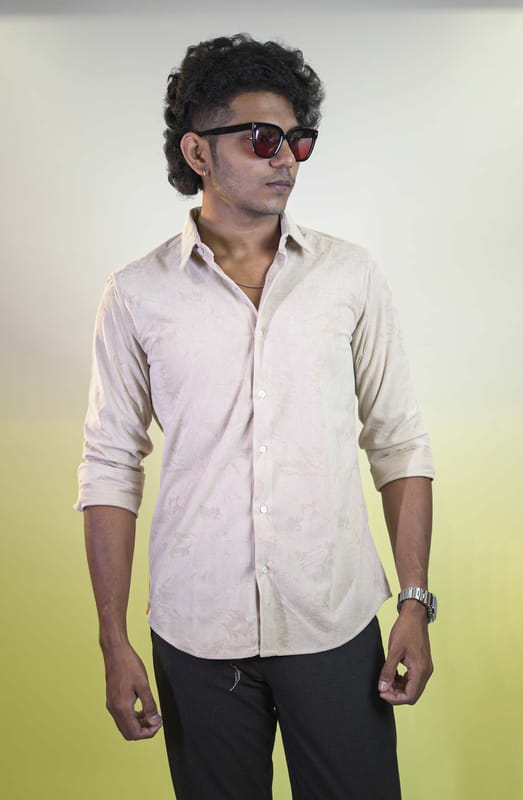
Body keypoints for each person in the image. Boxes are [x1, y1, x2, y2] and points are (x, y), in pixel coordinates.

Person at [76, 33, 436, 800]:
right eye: (262, 139)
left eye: (297, 140)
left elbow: (399, 443)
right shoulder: (137, 294)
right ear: (197, 152)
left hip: (333, 622)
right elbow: (109, 466)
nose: (287, 160)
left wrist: (414, 600)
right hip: (196, 633)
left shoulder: (349, 276)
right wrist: (112, 639)